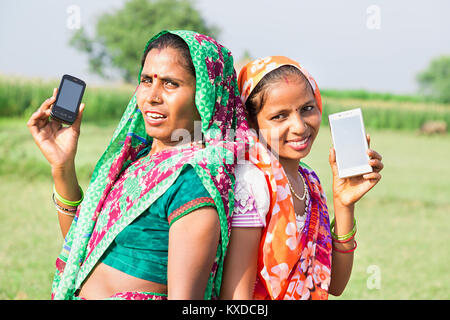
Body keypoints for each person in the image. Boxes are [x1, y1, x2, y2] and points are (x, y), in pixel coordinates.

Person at [27, 30, 249, 300]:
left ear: (205, 94)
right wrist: (62, 166)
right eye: (146, 80)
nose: (152, 96)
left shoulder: (194, 179)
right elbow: (82, 251)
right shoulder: (136, 161)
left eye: (170, 84)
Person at [220, 56, 384, 300]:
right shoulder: (252, 183)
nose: (299, 126)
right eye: (279, 116)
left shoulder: (310, 182)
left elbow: (333, 284)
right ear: (251, 122)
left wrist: (344, 205)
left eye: (307, 108)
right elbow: (236, 298)